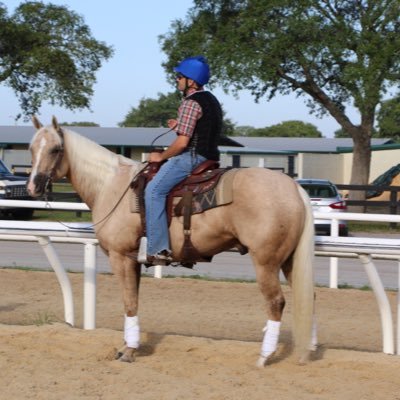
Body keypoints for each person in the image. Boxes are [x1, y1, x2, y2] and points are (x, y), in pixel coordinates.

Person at [138, 55, 222, 265]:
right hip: (211, 156)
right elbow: (203, 130)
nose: (176, 80)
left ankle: (158, 249)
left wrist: (161, 156)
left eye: (179, 76)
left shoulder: (190, 103)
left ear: (191, 81)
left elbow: (182, 144)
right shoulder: (211, 99)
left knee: (153, 190)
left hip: (191, 157)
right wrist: (179, 125)